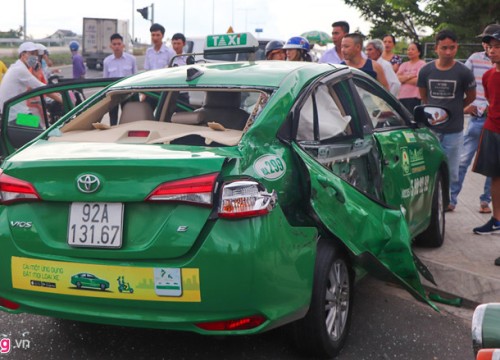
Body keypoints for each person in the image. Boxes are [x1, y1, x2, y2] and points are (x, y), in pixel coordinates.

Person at [417, 29, 476, 212]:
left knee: (452, 168)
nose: (448, 52)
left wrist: (456, 108)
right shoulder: (426, 70)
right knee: (429, 166)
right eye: (444, 48)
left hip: (454, 129)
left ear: (456, 47)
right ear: (436, 48)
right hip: (432, 129)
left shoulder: (464, 72)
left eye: (452, 48)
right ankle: (431, 200)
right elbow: (424, 97)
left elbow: (471, 97)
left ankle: (450, 199)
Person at [450, 24, 500, 213]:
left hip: (493, 118)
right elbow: (463, 82)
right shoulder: (475, 60)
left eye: (494, 43)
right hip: (479, 118)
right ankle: (451, 198)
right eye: (487, 42)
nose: (489, 47)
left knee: (495, 169)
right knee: (464, 160)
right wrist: (466, 106)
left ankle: (486, 201)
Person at [472, 29, 500, 242]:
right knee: (495, 176)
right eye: (489, 46)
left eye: (497, 46)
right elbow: (491, 101)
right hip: (492, 129)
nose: (492, 50)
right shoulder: (488, 75)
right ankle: (496, 219)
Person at [0, 42, 49, 122]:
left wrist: (35, 74)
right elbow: (43, 88)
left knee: (41, 123)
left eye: (36, 54)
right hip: (15, 117)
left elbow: (31, 88)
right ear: (22, 55)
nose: (35, 57)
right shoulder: (20, 69)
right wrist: (62, 99)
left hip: (11, 114)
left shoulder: (17, 67)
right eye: (32, 53)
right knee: (41, 130)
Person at [103, 33, 137, 125]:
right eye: (114, 44)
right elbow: (105, 80)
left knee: (128, 118)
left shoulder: (131, 59)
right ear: (111, 46)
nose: (117, 46)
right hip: (113, 94)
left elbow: (136, 77)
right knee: (113, 118)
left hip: (127, 93)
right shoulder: (107, 61)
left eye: (119, 44)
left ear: (123, 45)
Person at [396, 42, 426, 113]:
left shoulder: (422, 64)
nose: (410, 51)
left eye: (413, 49)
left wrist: (403, 79)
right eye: (408, 49)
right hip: (401, 97)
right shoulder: (404, 64)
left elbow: (418, 81)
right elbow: (397, 79)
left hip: (414, 98)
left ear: (419, 52)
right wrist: (410, 76)